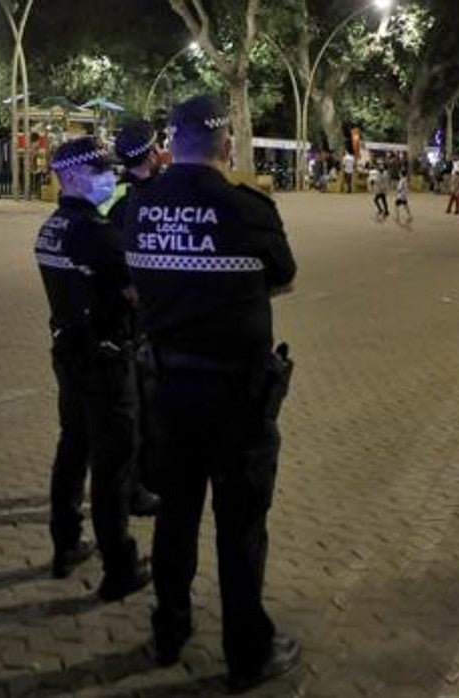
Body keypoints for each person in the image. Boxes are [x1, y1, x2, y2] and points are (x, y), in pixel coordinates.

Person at [122, 95, 300, 692]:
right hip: (237, 400)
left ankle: (169, 630)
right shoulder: (246, 208)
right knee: (240, 526)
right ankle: (246, 650)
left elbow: (135, 283)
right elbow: (284, 277)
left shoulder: (139, 206)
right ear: (226, 144)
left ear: (172, 143)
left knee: (175, 517)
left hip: (169, 391)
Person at [33, 136, 152, 600]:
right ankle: (118, 565)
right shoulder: (97, 234)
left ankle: (66, 544)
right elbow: (135, 293)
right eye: (101, 172)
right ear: (75, 177)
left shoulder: (51, 228)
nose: (110, 178)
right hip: (105, 360)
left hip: (68, 354)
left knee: (72, 450)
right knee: (113, 465)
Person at [98, 119, 165, 518]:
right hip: (141, 316)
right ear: (152, 153)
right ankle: (136, 487)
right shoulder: (154, 196)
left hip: (117, 313)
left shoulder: (116, 195)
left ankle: (133, 482)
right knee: (140, 407)